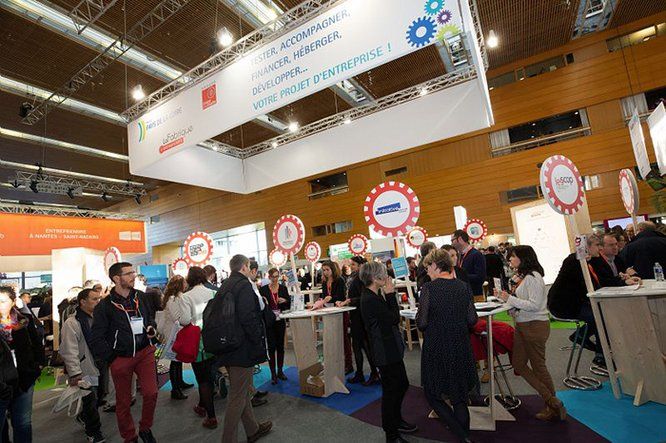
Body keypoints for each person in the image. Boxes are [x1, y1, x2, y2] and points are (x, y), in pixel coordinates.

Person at [496, 246, 566, 421]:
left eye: (513, 256)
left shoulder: (533, 277)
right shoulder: (525, 277)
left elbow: (534, 305)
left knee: (539, 367)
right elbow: (525, 302)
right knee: (518, 364)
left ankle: (551, 406)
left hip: (534, 326)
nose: (510, 260)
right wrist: (513, 306)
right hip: (523, 325)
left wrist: (509, 299)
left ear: (523, 258)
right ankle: (552, 400)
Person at [90, 262, 158, 443]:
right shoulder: (104, 306)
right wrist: (112, 358)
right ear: (116, 278)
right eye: (128, 274)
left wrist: (151, 327)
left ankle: (145, 428)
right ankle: (129, 436)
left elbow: (149, 317)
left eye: (133, 272)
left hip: (145, 352)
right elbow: (97, 337)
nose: (133, 276)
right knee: (124, 401)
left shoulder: (142, 297)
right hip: (121, 358)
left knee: (151, 393)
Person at [416, 250, 477, 443]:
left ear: (435, 265)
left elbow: (422, 323)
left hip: (437, 346)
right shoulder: (463, 287)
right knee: (459, 396)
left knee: (433, 394)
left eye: (427, 267)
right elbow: (472, 319)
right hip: (460, 344)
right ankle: (465, 436)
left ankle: (462, 435)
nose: (427, 272)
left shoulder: (429, 289)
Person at [217, 255, 272, 443]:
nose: (251, 269)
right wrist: (258, 341)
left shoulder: (225, 285)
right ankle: (228, 439)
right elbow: (249, 318)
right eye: (249, 266)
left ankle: (252, 429)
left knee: (242, 391)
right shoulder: (244, 285)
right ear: (244, 267)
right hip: (242, 347)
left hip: (228, 346)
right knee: (237, 397)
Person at [360, 262, 417, 443]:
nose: (387, 277)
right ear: (375, 278)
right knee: (392, 390)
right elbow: (393, 318)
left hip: (388, 349)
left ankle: (395, 421)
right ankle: (391, 434)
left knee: (401, 385)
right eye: (383, 274)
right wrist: (391, 295)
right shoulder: (370, 298)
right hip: (384, 351)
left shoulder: (373, 294)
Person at [547, 234, 605, 368]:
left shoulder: (590, 261)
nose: (600, 248)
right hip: (563, 305)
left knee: (601, 315)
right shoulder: (574, 261)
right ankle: (600, 354)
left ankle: (590, 343)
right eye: (597, 245)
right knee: (599, 317)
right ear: (587, 247)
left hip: (576, 303)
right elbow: (584, 285)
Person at [60, 288, 106, 442]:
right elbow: (69, 350)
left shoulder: (101, 318)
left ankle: (83, 416)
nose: (98, 302)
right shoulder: (72, 323)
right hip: (84, 368)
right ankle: (93, 432)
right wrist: (75, 373)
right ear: (83, 301)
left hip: (101, 364)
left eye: (99, 299)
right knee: (90, 400)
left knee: (99, 398)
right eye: (94, 299)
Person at [0, 286, 44, 443]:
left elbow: (37, 343)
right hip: (2, 379)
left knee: (22, 422)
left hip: (24, 376)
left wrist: (38, 365)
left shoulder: (24, 319)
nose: (0, 305)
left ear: (13, 302)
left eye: (3, 301)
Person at [178, 267, 218, 429]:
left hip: (198, 343)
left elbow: (185, 320)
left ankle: (212, 417)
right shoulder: (214, 293)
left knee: (203, 381)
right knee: (210, 376)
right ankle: (202, 406)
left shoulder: (186, 297)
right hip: (214, 341)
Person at [337, 256, 379, 385]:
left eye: (354, 264)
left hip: (362, 316)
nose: (351, 267)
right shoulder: (356, 277)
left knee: (366, 347)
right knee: (356, 346)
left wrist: (349, 301)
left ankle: (374, 373)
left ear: (361, 265)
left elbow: (364, 296)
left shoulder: (363, 278)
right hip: (355, 315)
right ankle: (360, 373)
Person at [315, 260, 353, 374]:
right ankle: (336, 363)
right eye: (324, 270)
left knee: (344, 339)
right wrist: (321, 301)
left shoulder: (339, 280)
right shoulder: (324, 282)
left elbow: (341, 296)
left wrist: (330, 298)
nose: (326, 272)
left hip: (340, 311)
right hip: (329, 312)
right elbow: (324, 296)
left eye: (327, 270)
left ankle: (348, 364)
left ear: (332, 269)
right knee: (332, 339)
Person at [161, 275, 191, 401]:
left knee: (178, 360)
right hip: (173, 334)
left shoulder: (175, 298)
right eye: (184, 283)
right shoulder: (173, 299)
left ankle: (180, 383)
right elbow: (176, 317)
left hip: (176, 333)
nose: (186, 285)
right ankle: (175, 389)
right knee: (174, 361)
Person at [259, 268, 290, 385]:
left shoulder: (283, 288)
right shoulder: (263, 290)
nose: (275, 279)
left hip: (280, 319)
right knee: (271, 348)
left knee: (280, 346)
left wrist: (285, 300)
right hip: (269, 321)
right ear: (269, 277)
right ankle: (273, 374)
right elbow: (260, 306)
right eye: (273, 277)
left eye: (277, 276)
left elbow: (289, 303)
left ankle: (280, 371)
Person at [451, 230, 487, 300]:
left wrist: (459, 276)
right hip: (463, 295)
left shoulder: (476, 254)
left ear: (460, 239)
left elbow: (480, 277)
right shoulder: (459, 256)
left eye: (452, 240)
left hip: (475, 295)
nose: (451, 243)